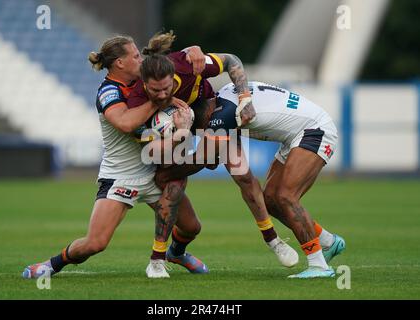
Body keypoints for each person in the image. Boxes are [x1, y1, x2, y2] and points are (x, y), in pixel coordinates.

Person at [22, 35, 209, 280]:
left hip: (154, 173)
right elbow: (125, 122)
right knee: (95, 243)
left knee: (191, 227)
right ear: (119, 63)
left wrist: (191, 50)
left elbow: (168, 63)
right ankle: (51, 265)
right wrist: (161, 100)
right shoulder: (109, 91)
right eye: (135, 56)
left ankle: (175, 253)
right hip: (121, 177)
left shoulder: (144, 81)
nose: (140, 60)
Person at [127, 32, 299, 268]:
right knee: (173, 184)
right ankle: (157, 258)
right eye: (155, 91)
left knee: (244, 175)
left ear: (173, 76)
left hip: (211, 120)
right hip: (174, 133)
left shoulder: (187, 64)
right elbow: (142, 138)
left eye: (166, 88)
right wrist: (178, 133)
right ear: (144, 83)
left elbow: (231, 60)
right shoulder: (136, 96)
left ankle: (272, 239)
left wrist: (245, 98)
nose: (163, 95)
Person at [156, 81, 346, 278]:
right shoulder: (225, 100)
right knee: (270, 200)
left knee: (285, 197)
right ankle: (328, 242)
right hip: (297, 135)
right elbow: (213, 159)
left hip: (315, 129)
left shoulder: (222, 116)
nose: (201, 134)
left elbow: (205, 159)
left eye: (198, 131)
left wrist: (165, 174)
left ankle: (319, 265)